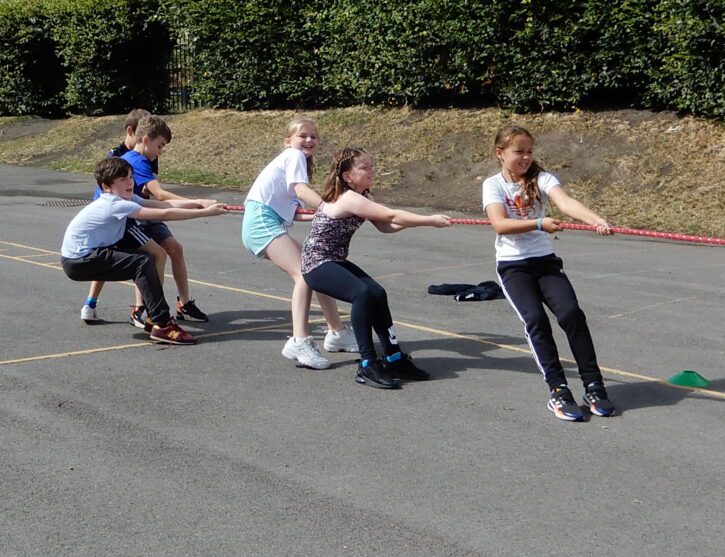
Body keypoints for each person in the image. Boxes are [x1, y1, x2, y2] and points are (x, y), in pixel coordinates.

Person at [483, 125, 617, 421]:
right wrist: (538, 223)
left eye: (530, 151)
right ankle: (558, 390)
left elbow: (566, 203)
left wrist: (596, 220)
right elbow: (499, 224)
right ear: (500, 153)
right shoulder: (493, 185)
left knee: (571, 314)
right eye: (519, 152)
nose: (526, 157)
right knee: (536, 320)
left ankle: (594, 386)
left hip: (545, 261)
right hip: (513, 265)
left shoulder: (541, 178)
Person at [302, 147, 452, 389]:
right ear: (348, 176)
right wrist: (429, 220)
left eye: (371, 166)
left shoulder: (364, 197)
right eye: (364, 168)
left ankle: (393, 358)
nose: (372, 171)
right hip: (316, 263)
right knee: (361, 293)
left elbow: (386, 225)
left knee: (377, 293)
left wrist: (414, 223)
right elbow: (391, 215)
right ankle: (367, 363)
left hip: (335, 260)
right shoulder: (349, 198)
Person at [61, 157, 226, 344]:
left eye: (130, 177)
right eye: (122, 179)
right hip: (79, 261)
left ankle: (154, 319)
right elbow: (165, 214)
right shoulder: (114, 204)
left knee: (145, 259)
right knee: (141, 262)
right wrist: (206, 213)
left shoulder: (126, 198)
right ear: (106, 187)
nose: (129, 182)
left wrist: (198, 202)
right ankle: (162, 324)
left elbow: (164, 205)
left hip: (84, 258)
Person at [241, 117, 358, 369]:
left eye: (313, 136)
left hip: (269, 221)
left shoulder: (296, 163)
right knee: (305, 275)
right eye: (302, 135)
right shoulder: (293, 156)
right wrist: (328, 208)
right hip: (261, 222)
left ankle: (337, 332)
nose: (308, 140)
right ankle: (299, 341)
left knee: (318, 268)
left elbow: (296, 212)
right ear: (288, 141)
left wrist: (328, 212)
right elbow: (301, 191)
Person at [82, 115, 210, 327]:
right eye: (160, 146)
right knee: (150, 255)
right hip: (128, 215)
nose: (161, 151)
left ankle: (183, 304)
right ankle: (146, 309)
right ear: (143, 138)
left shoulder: (146, 158)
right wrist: (197, 204)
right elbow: (160, 195)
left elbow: (149, 195)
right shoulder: (131, 159)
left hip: (142, 206)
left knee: (174, 249)